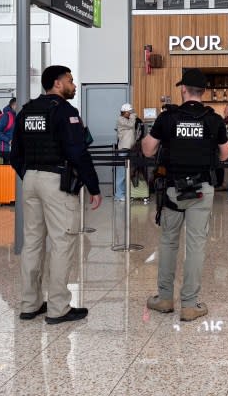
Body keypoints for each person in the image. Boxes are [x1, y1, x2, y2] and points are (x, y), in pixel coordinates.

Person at [11, 65, 102, 325]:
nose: (73, 85)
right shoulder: (65, 111)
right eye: (70, 81)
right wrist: (93, 187)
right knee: (62, 242)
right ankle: (58, 308)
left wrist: (31, 175)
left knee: (32, 242)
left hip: (30, 180)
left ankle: (30, 304)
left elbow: (14, 153)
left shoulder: (26, 111)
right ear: (57, 83)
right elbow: (77, 152)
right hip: (56, 182)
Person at [143, 68, 228, 322]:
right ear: (203, 92)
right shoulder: (213, 120)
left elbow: (148, 150)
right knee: (195, 245)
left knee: (169, 242)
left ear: (183, 89)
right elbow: (224, 155)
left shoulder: (168, 118)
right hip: (202, 189)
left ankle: (165, 298)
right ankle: (190, 304)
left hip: (173, 189)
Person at [115, 103, 138, 202]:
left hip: (129, 148)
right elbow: (131, 124)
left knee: (127, 172)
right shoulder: (121, 119)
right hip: (123, 149)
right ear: (125, 112)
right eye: (130, 112)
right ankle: (119, 195)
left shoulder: (128, 120)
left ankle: (123, 192)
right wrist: (133, 116)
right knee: (121, 173)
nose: (131, 114)